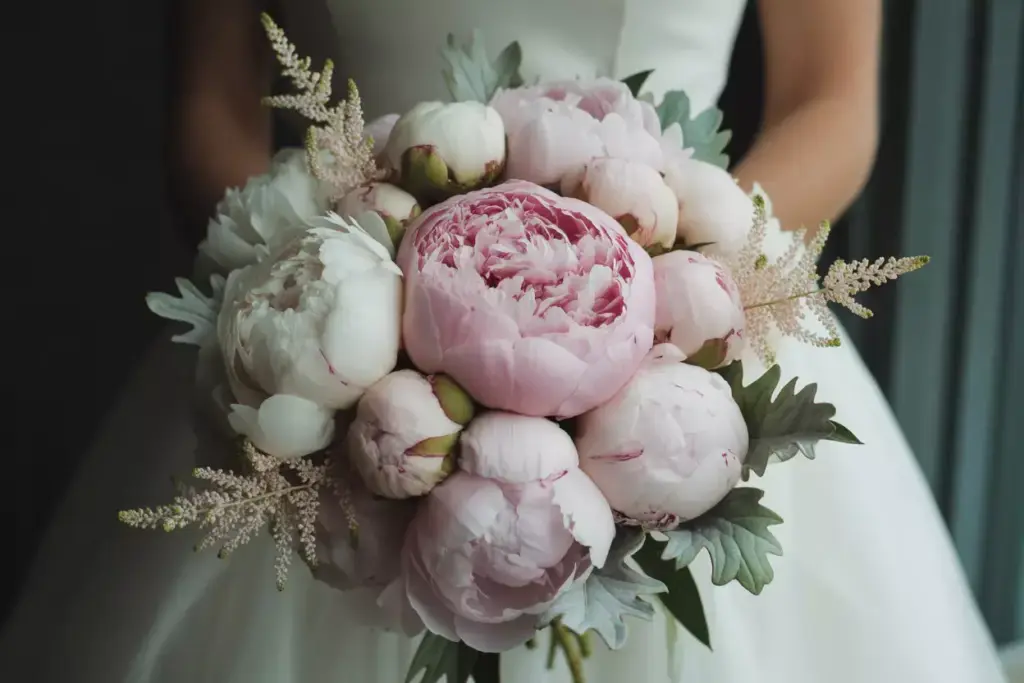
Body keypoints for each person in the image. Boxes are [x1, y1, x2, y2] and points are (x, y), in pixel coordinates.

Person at [0, 0, 1008, 681]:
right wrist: (342, 334)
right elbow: (208, 110)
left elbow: (829, 104)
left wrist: (647, 299)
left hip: (686, 355)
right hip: (329, 357)